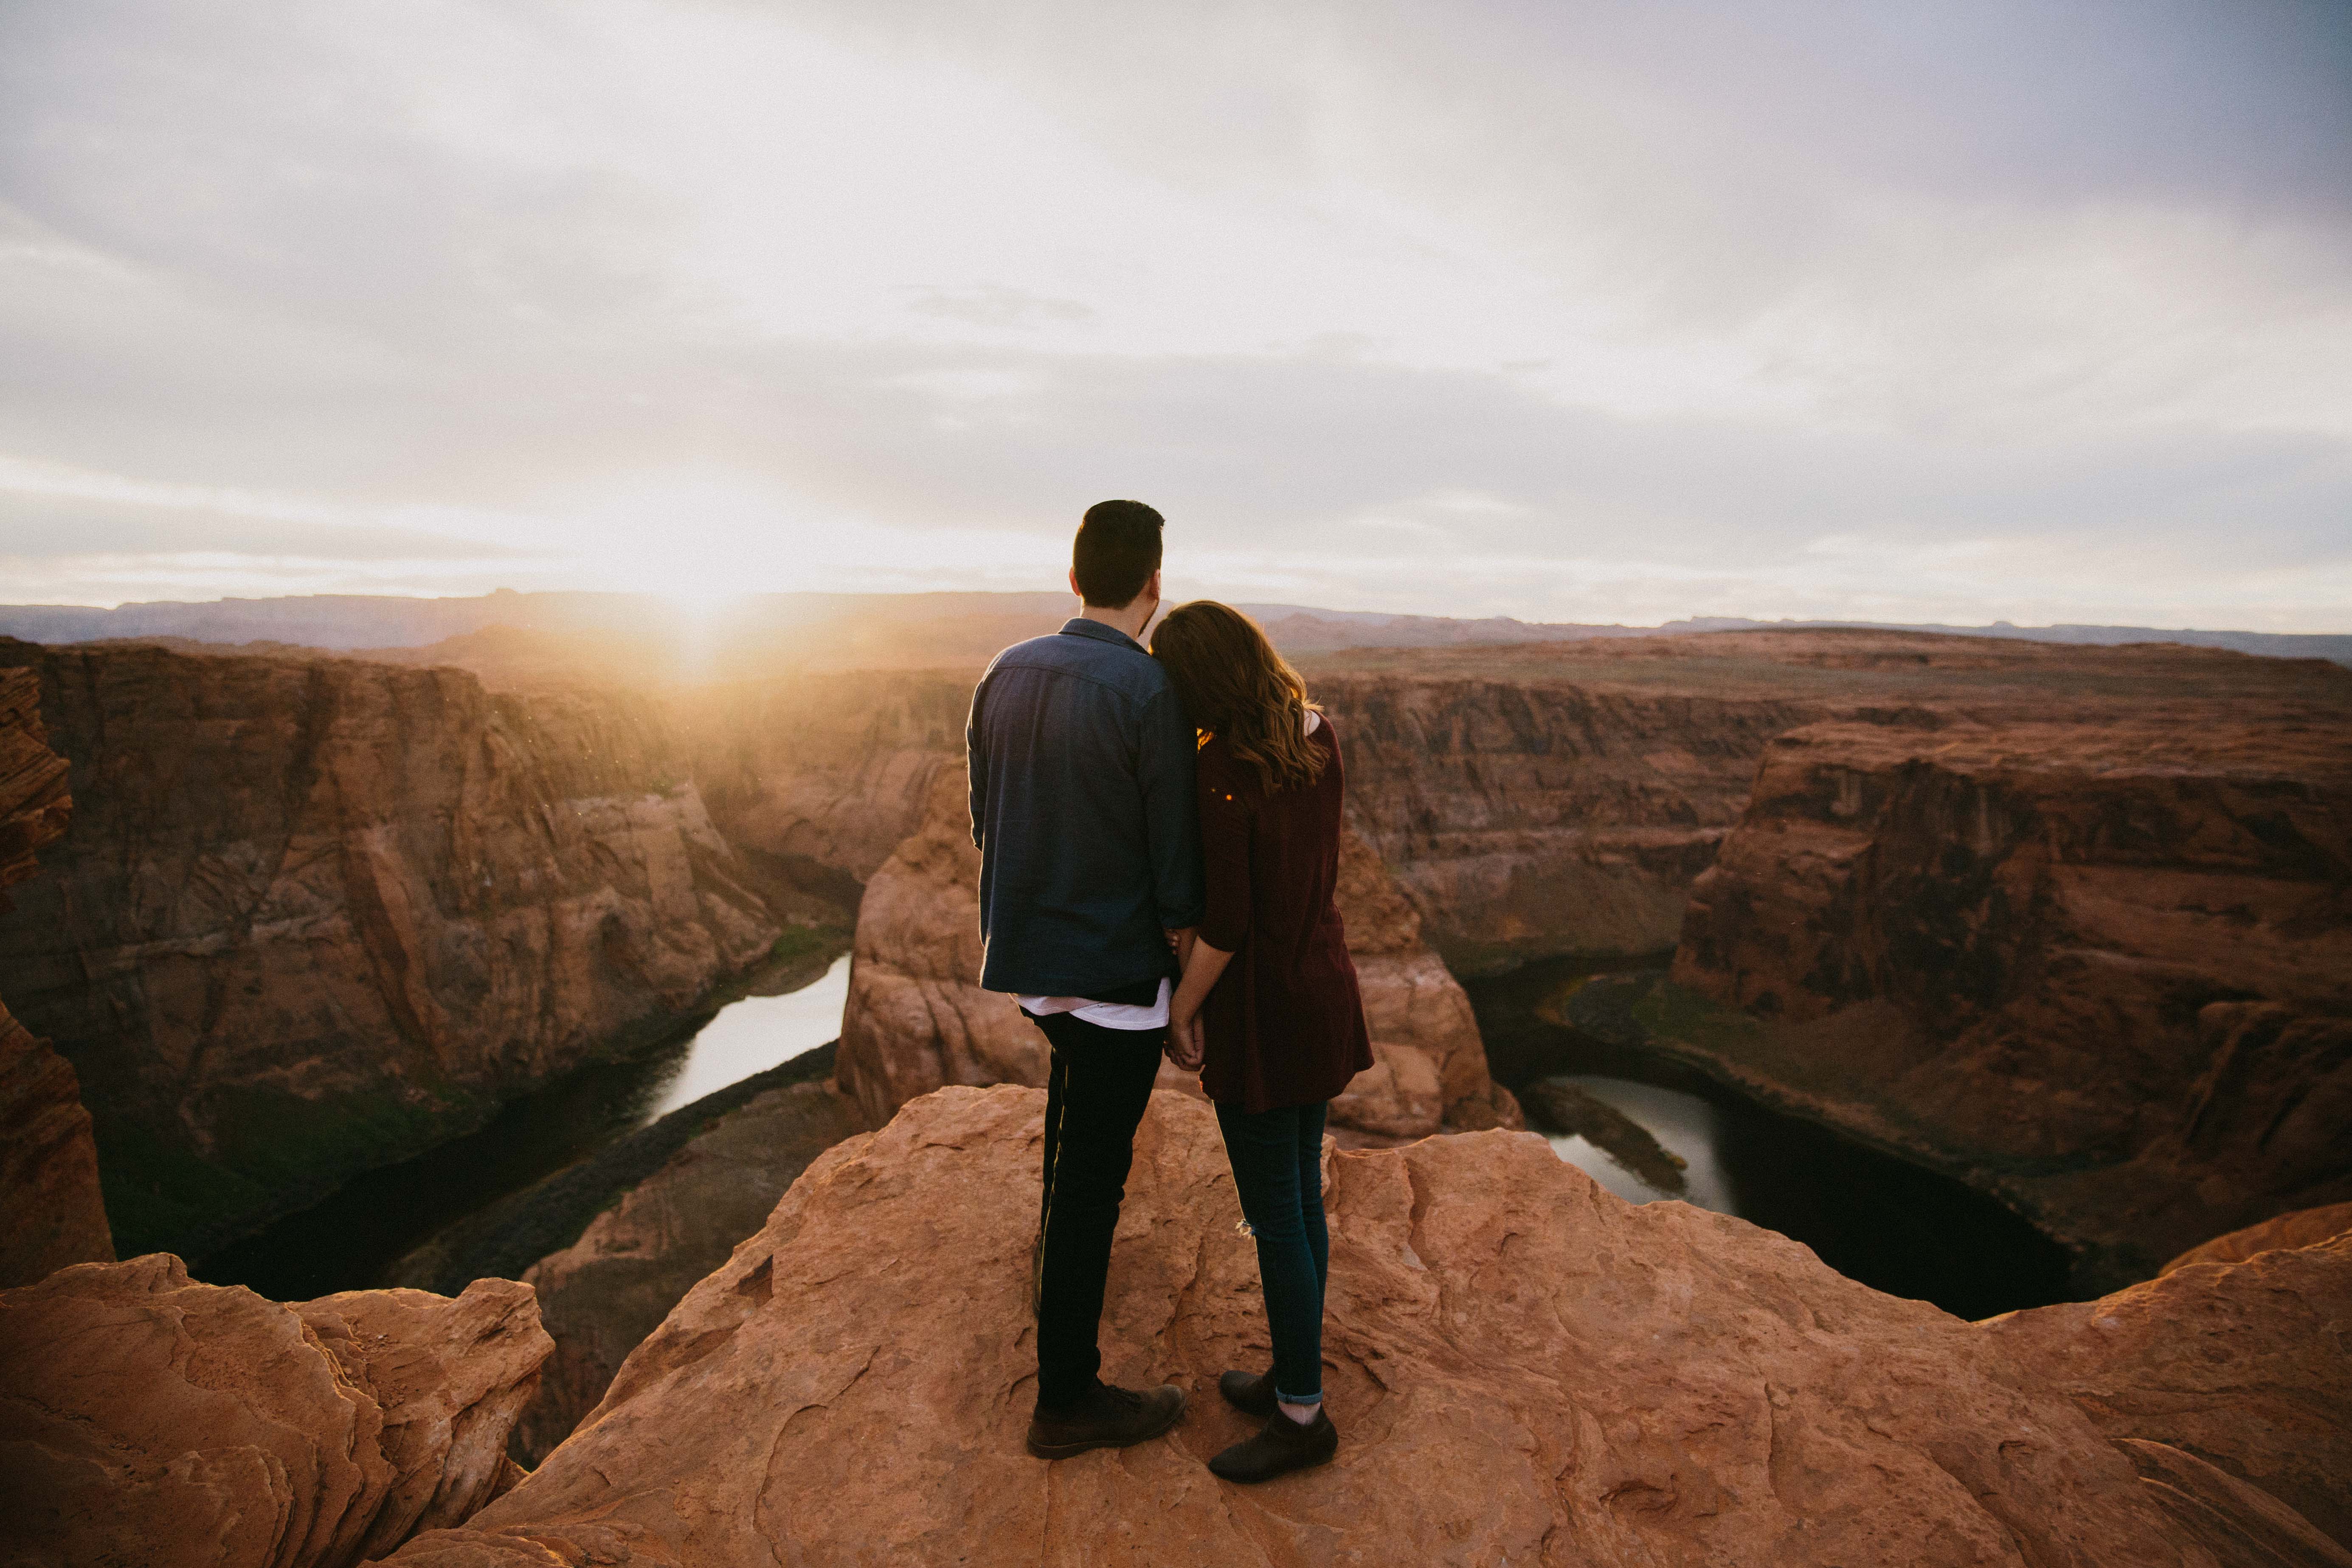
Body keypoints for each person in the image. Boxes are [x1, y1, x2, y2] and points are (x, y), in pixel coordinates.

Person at [968, 498, 1207, 1461]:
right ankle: (1066, 1396)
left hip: (1034, 965)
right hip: (1117, 976)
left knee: (1069, 1129)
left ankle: (1050, 1300)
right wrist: (1190, 992)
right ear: (1154, 583)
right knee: (1090, 1187)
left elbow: (988, 819)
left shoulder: (1005, 669)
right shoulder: (1150, 692)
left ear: (1074, 578)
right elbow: (1177, 869)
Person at [1152, 600, 1372, 1484]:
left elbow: (1229, 921)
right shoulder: (1316, 732)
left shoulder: (1221, 766)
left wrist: (1178, 1011)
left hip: (1261, 1017)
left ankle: (1300, 1416)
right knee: (1301, 1198)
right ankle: (1295, 1377)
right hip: (1320, 988)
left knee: (1275, 1214)